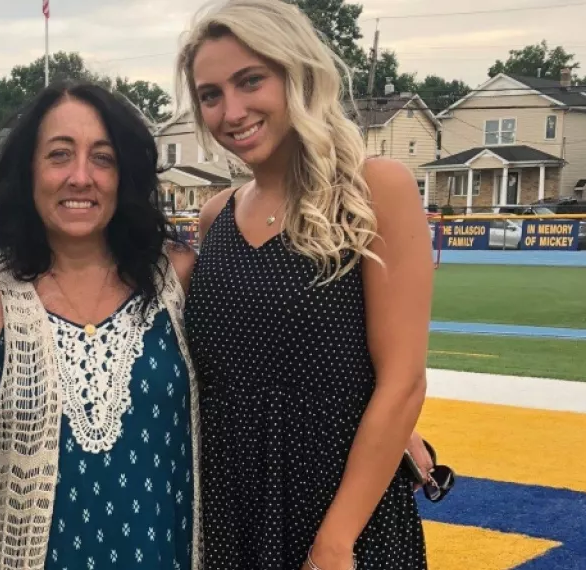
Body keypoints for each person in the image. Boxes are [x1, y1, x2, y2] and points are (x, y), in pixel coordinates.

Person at [177, 1, 434, 569]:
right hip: (230, 505)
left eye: (251, 81)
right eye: (211, 94)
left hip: (343, 512)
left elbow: (403, 381)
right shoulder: (214, 216)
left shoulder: (375, 189)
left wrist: (336, 541)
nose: (232, 110)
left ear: (297, 75)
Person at [0, 82, 203, 570]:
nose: (81, 177)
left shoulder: (179, 279)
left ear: (124, 174)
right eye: (59, 155)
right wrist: (29, 437)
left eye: (103, 158)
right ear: (28, 171)